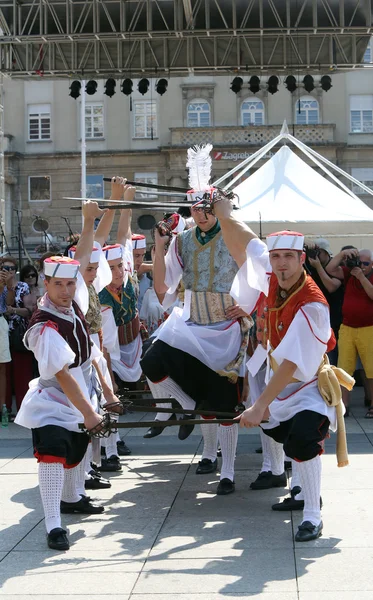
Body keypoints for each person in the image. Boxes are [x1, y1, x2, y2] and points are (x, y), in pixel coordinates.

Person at [213, 194, 348, 541]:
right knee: (285, 437)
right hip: (276, 381)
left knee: (303, 439)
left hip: (306, 386)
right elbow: (245, 244)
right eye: (276, 257)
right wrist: (224, 215)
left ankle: (312, 515)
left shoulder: (313, 305)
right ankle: (303, 488)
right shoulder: (273, 275)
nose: (281, 263)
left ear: (302, 259)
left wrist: (259, 405)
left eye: (289, 256)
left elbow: (291, 364)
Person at [141, 195, 253, 496]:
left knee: (223, 404)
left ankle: (227, 472)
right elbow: (163, 288)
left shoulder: (234, 233)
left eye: (207, 208)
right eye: (196, 209)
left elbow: (257, 271)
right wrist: (161, 244)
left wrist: (250, 304)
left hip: (225, 329)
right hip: (191, 326)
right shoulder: (184, 240)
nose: (202, 214)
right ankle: (184, 405)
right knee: (151, 360)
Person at [15, 256, 119, 551]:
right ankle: (53, 525)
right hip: (51, 399)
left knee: (76, 449)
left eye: (70, 284)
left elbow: (92, 354)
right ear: (45, 284)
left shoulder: (73, 304)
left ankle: (73, 499)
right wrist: (89, 413)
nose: (65, 290)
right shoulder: (44, 325)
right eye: (57, 284)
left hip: (82, 393)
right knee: (52, 453)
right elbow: (62, 374)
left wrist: (108, 396)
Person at [99, 184, 143, 389]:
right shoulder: (102, 296)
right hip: (115, 354)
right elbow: (106, 346)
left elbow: (124, 234)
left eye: (119, 266)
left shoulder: (125, 272)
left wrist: (127, 202)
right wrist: (111, 383)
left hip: (136, 342)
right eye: (111, 268)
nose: (118, 272)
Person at [326, 247, 373, 417]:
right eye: (359, 262)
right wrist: (342, 255)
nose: (361, 266)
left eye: (365, 263)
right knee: (344, 368)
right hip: (348, 328)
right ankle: (343, 405)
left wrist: (361, 276)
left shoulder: (364, 276)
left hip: (369, 328)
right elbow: (330, 269)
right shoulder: (348, 274)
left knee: (372, 369)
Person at [4, 258, 35, 414]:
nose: (9, 271)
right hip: (3, 333)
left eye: (12, 268)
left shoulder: (23, 287)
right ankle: (5, 408)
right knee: (5, 374)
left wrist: (13, 310)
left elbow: (29, 310)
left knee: (22, 374)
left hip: (19, 332)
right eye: (5, 268)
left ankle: (24, 409)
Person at [305, 238, 343, 365]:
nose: (315, 255)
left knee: (331, 357)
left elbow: (331, 287)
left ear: (326, 253)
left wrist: (318, 267)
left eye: (318, 252)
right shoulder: (310, 264)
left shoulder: (335, 268)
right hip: (315, 318)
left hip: (333, 319)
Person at [0, 260, 14, 420]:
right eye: (4, 268)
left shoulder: (6, 283)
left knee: (3, 367)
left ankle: (2, 407)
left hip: (1, 322)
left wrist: (9, 285)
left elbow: (9, 302)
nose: (7, 271)